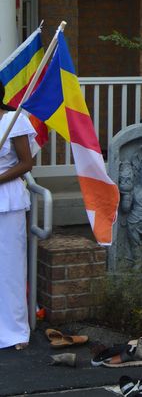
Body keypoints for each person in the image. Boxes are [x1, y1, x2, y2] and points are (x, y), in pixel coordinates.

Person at [0, 85, 36, 351]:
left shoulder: (14, 121)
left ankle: (14, 332)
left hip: (7, 198)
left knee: (10, 266)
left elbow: (26, 163)